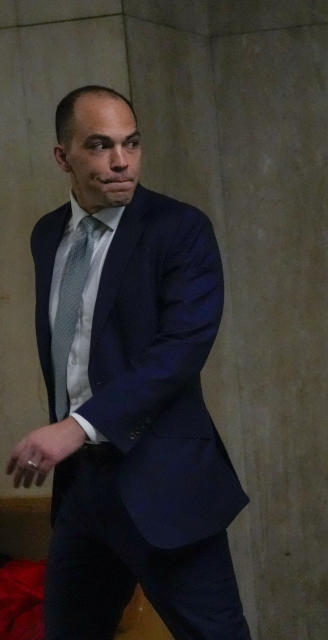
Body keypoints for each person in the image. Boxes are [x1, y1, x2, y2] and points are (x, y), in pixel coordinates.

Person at [6, 85, 250, 639]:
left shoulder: (179, 229)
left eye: (131, 143)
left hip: (163, 481)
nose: (121, 162)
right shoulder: (48, 235)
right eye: (100, 146)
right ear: (62, 156)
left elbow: (181, 351)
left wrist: (78, 424)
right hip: (81, 492)